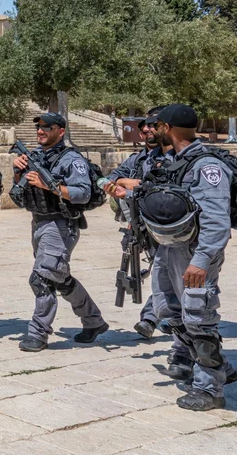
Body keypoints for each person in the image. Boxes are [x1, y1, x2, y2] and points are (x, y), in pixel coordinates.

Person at [142, 104, 237, 411]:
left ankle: (209, 390)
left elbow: (217, 220)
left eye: (156, 125)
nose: (152, 129)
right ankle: (219, 365)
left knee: (198, 317)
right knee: (168, 310)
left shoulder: (206, 166)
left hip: (194, 253)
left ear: (168, 128)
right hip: (169, 249)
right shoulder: (175, 161)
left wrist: (202, 259)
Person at [12, 112, 107, 352]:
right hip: (39, 223)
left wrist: (50, 186)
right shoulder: (34, 156)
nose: (41, 131)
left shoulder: (71, 159)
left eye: (47, 127)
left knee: (42, 279)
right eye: (39, 127)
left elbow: (83, 193)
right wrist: (17, 171)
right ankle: (93, 321)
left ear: (60, 131)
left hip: (61, 225)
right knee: (60, 279)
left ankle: (38, 334)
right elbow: (18, 196)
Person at [103, 108, 168, 339]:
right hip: (142, 224)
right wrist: (122, 181)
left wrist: (135, 184)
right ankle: (166, 314)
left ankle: (151, 317)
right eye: (144, 128)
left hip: (167, 224)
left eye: (152, 125)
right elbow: (107, 179)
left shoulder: (173, 156)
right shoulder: (136, 159)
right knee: (164, 271)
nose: (148, 130)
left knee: (164, 271)